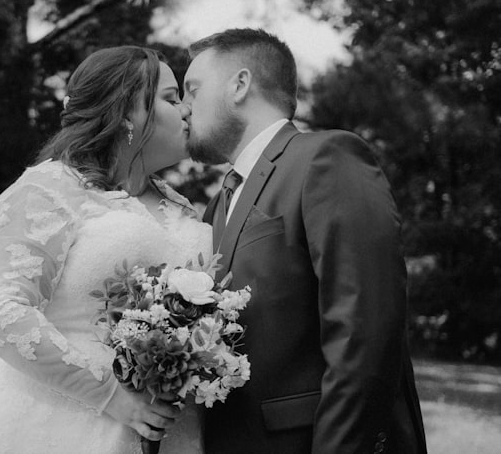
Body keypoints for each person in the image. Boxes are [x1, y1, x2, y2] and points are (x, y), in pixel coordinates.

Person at [0, 46, 207, 453]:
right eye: (171, 99)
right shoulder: (49, 189)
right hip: (56, 426)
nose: (188, 109)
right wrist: (110, 394)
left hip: (176, 431)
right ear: (125, 113)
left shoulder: (180, 205)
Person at [183, 28, 427, 453]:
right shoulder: (217, 205)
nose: (185, 109)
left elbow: (365, 333)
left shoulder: (325, 158)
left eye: (192, 89)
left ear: (239, 85)